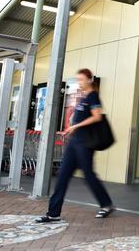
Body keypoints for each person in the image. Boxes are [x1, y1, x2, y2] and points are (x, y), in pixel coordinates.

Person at [35, 68, 114, 223]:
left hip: (85, 144)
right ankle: (53, 213)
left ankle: (106, 205)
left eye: (81, 80)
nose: (79, 83)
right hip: (74, 142)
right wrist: (71, 129)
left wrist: (76, 127)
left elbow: (97, 117)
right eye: (78, 80)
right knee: (62, 176)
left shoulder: (93, 97)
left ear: (89, 80)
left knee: (89, 175)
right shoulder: (83, 97)